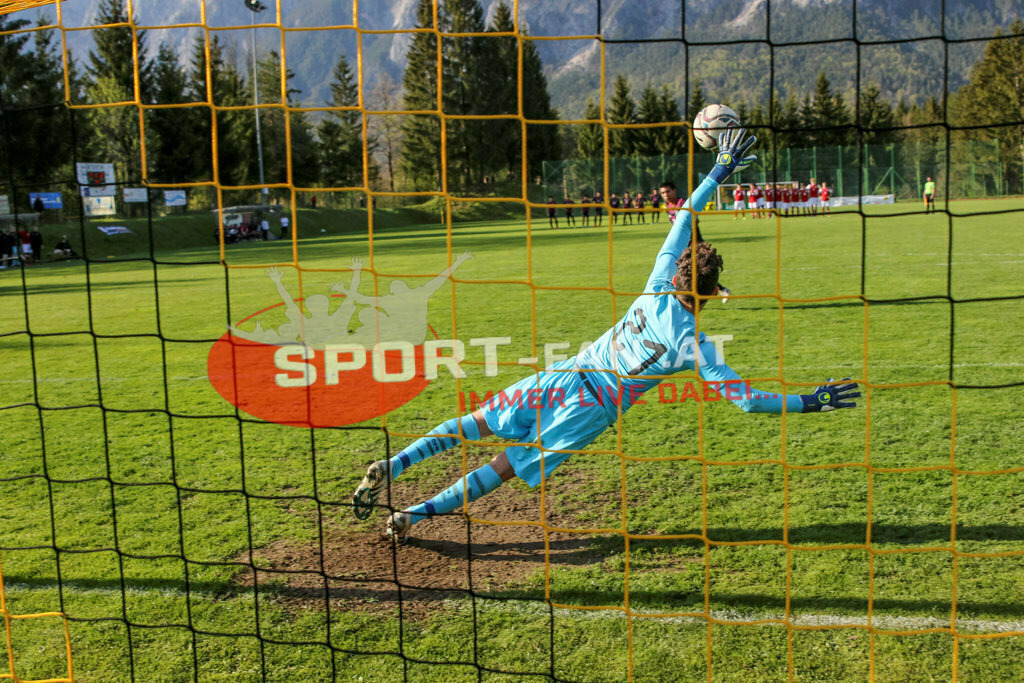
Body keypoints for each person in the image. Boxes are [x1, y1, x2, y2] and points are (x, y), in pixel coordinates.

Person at [352, 128, 860, 544]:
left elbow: (686, 217)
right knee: (503, 467)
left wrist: (721, 167)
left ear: (678, 275)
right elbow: (748, 402)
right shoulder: (695, 346)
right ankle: (412, 517)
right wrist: (809, 402)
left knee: (474, 421)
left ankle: (391, 464)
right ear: (708, 294)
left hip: (568, 375)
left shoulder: (657, 282)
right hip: (591, 411)